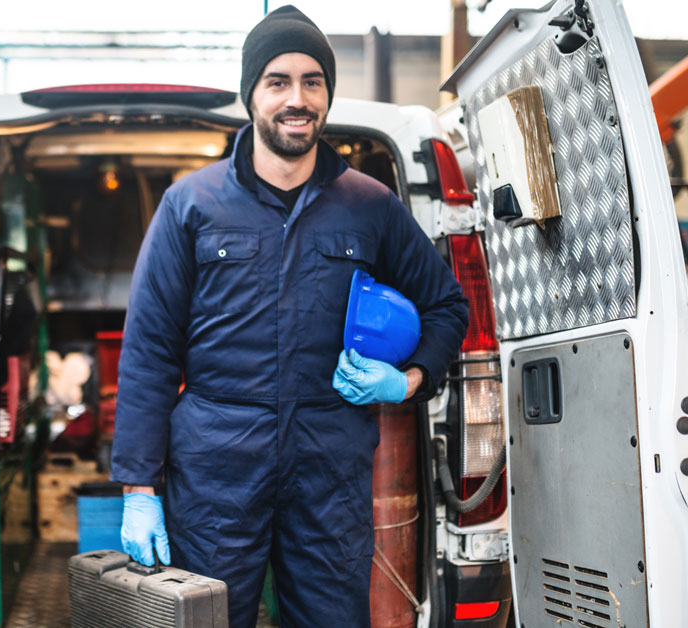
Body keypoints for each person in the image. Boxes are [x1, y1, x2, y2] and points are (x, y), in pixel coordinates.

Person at [109, 5, 470, 626]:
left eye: (313, 81)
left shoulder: (369, 205)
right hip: (216, 467)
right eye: (278, 81)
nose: (296, 98)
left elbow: (448, 307)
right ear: (252, 93)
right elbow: (148, 352)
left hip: (329, 467)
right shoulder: (190, 204)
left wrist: (407, 380)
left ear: (327, 92)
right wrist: (138, 489)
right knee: (209, 619)